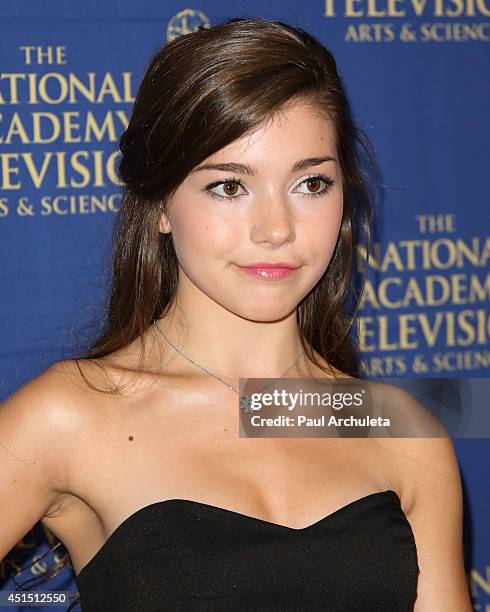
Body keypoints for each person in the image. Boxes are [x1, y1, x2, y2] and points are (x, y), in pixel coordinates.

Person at [0, 16, 471, 612]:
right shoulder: (68, 417)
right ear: (162, 205)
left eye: (311, 184)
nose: (276, 230)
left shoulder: (399, 427)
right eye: (229, 187)